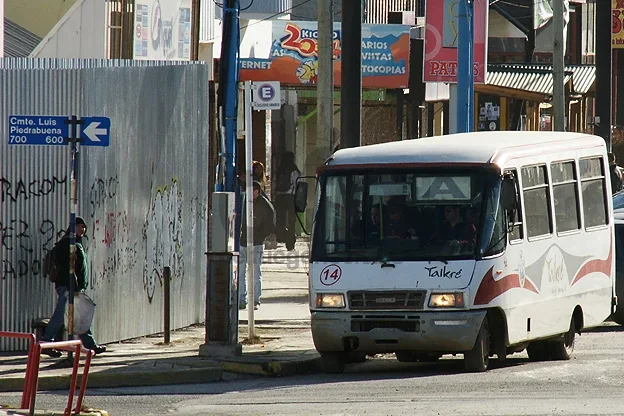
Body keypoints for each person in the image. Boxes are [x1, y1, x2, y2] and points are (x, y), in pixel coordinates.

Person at [41, 216, 106, 357]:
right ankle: (46, 342)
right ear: (72, 227)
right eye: (79, 226)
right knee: (60, 316)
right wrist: (74, 288)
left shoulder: (75, 242)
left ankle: (90, 345)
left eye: (83, 227)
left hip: (72, 286)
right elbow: (68, 268)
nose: (82, 229)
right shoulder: (67, 244)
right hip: (68, 286)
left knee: (78, 316)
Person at [239, 181, 276, 310]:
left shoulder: (264, 205)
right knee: (241, 272)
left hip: (256, 244)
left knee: (255, 272)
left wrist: (260, 236)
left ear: (258, 191)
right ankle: (241, 299)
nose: (252, 193)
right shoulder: (242, 201)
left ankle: (255, 299)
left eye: (254, 190)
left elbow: (270, 224)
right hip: (242, 242)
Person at [274, 151, 301, 251]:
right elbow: (297, 183)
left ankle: (281, 237)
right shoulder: (294, 170)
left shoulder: (279, 169)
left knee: (280, 220)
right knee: (291, 221)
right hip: (290, 197)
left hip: (280, 197)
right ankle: (290, 243)